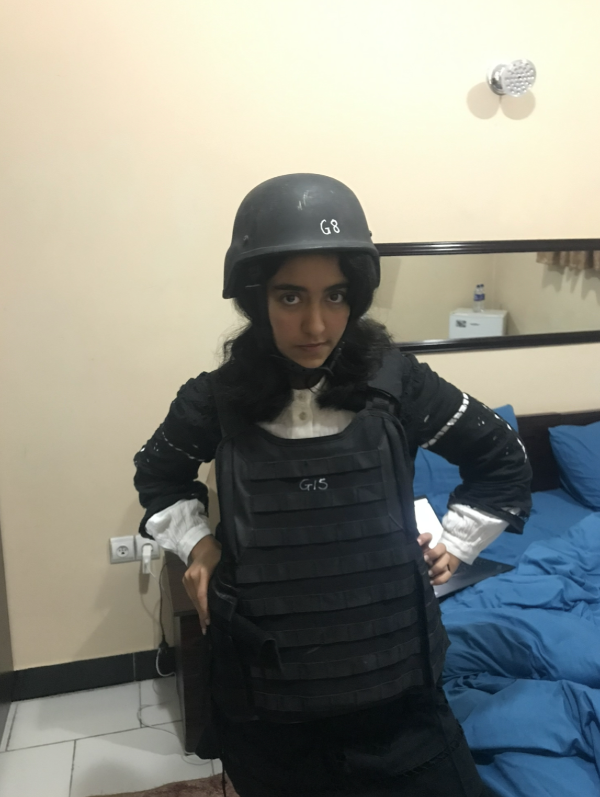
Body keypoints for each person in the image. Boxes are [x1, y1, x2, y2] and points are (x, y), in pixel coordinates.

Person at [133, 173, 532, 797]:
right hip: (268, 704)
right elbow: (159, 474)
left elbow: (502, 457)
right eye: (291, 297)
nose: (317, 324)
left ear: (357, 295)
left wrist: (458, 543)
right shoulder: (215, 399)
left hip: (399, 696)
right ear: (256, 297)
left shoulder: (399, 384)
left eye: (336, 296)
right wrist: (200, 545)